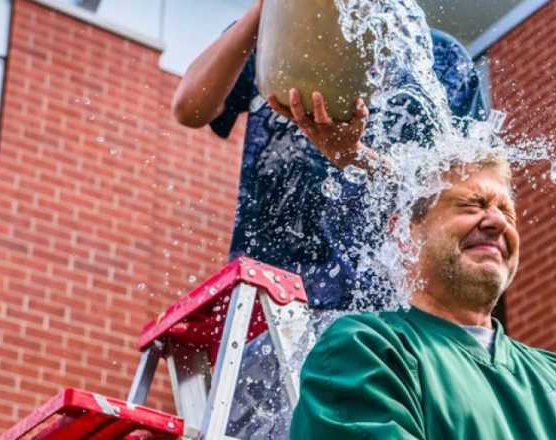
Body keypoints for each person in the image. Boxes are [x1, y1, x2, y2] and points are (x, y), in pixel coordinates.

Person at [172, 2, 489, 438]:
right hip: (274, 308)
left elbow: (464, 190)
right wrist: (264, 11)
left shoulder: (444, 61)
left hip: (393, 311)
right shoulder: (278, 33)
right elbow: (190, 106)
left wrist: (356, 159)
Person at [291, 157, 556, 439]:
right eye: (471, 205)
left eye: (507, 212)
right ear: (404, 233)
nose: (496, 222)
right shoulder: (369, 350)